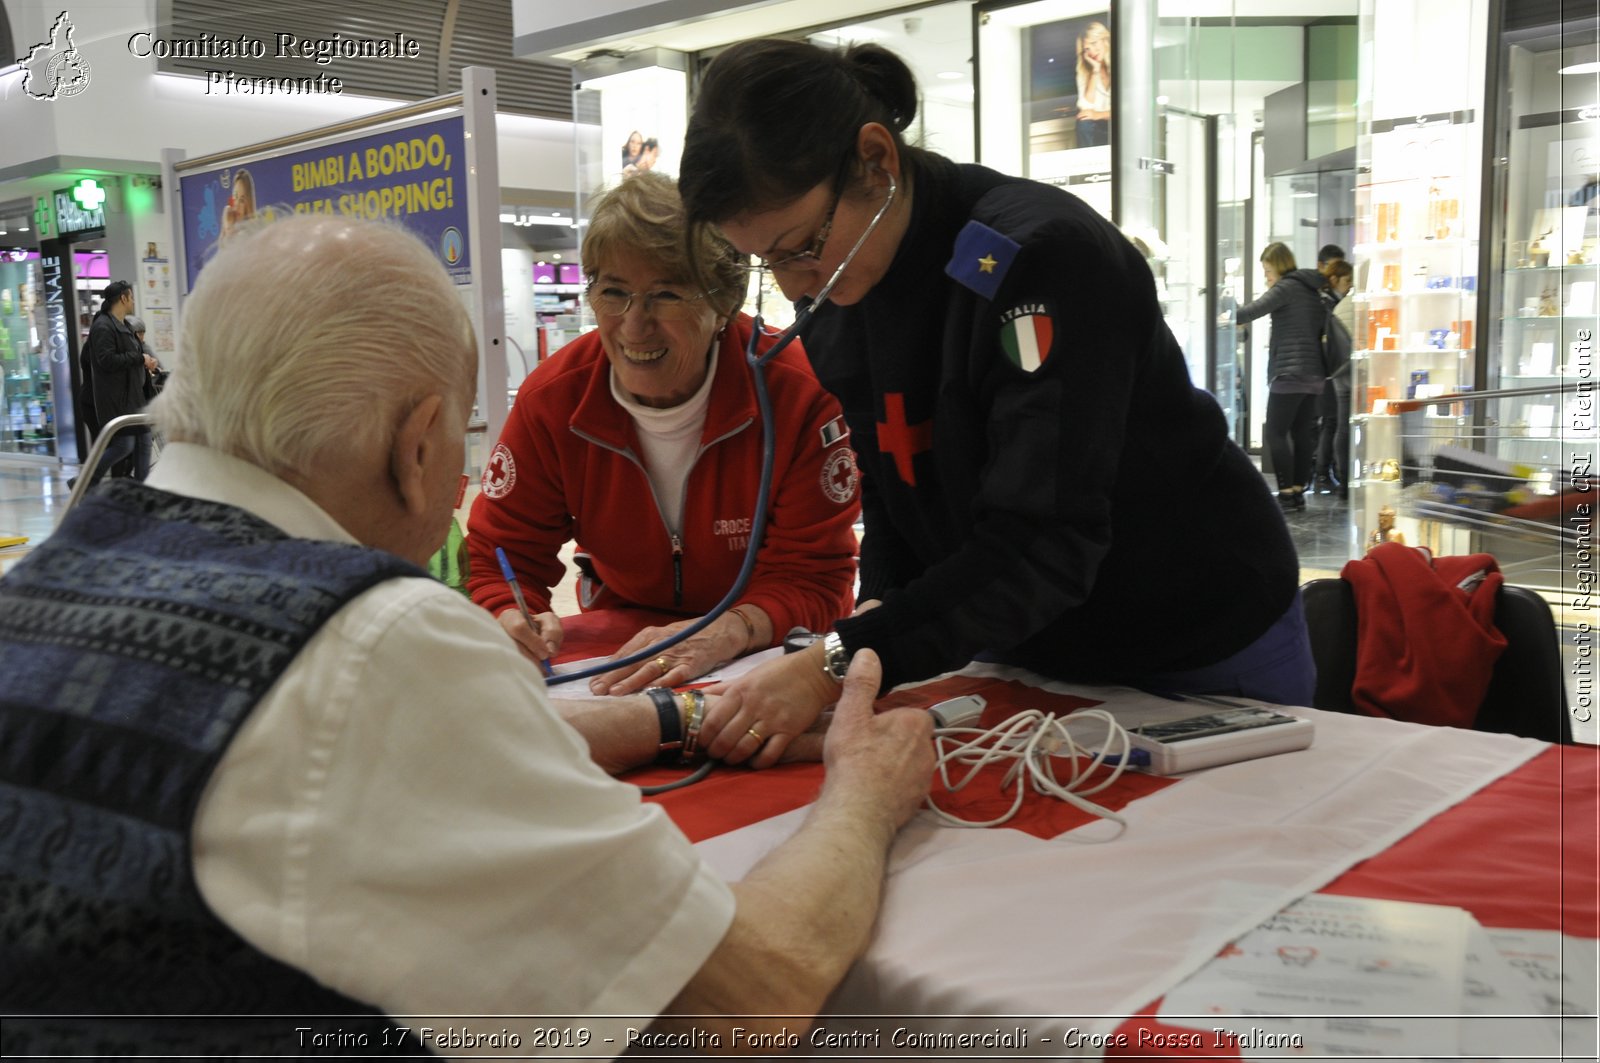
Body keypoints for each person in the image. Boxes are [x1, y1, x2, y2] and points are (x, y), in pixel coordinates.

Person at [0, 214, 935, 1057]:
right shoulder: (368, 639)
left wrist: (679, 716)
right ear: (417, 450)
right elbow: (741, 1006)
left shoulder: (37, 589)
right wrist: (866, 790)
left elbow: (357, 753)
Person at [677, 39, 1308, 769]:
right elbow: (892, 494)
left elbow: (1045, 537)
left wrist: (839, 659)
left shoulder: (1039, 262)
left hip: (1198, 634)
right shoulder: (842, 294)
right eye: (766, 262)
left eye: (800, 246)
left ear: (876, 160)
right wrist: (876, 628)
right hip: (1028, 644)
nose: (792, 285)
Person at [468, 172, 860, 694]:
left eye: (666, 294)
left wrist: (728, 632)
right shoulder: (553, 400)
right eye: (613, 292)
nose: (634, 324)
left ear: (724, 302)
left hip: (763, 648)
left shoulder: (798, 392)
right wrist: (508, 613)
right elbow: (501, 555)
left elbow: (815, 578)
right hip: (623, 642)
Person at [1235, 242, 1329, 511]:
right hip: (1314, 374)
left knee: (1275, 432)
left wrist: (1227, 312)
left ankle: (1286, 492)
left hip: (1289, 372)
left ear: (1278, 265)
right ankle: (1298, 490)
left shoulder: (1286, 287)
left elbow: (1253, 310)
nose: (1267, 277)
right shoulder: (1311, 289)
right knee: (1301, 433)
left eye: (1267, 271)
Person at [80, 278, 157, 485]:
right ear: (123, 299)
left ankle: (142, 491)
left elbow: (133, 353)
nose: (133, 302)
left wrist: (145, 360)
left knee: (143, 442)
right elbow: (106, 360)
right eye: (131, 297)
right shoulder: (103, 327)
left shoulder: (122, 325)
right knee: (124, 446)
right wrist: (139, 359)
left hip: (133, 395)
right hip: (117, 398)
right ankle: (84, 481)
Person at [1314, 259, 1354, 497]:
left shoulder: (1334, 304)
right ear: (1334, 279)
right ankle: (1330, 474)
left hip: (1334, 371)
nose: (1349, 286)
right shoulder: (1333, 305)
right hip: (1344, 369)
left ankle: (1337, 476)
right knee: (1335, 423)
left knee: (1336, 424)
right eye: (1346, 280)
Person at [1074, 21, 1112, 148]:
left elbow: (1129, 110)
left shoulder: (1121, 63)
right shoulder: (1083, 71)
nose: (1092, 51)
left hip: (1120, 123)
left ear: (1104, 40)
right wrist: (1095, 71)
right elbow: (1086, 107)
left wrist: (1098, 115)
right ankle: (1088, 166)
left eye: (1094, 43)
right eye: (1087, 49)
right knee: (1083, 123)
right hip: (1098, 126)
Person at [220, 167, 256, 240]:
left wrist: (228, 229)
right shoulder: (232, 225)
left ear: (248, 204)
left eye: (242, 200)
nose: (237, 204)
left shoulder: (248, 234)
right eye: (235, 196)